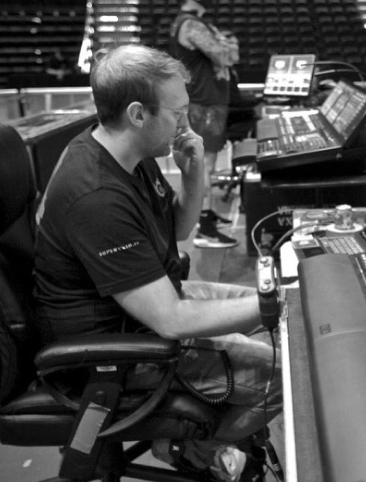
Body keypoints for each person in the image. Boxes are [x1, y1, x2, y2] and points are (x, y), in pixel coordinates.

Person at [33, 44, 281, 482]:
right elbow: (170, 320)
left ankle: (198, 438)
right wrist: (277, 303)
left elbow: (180, 231)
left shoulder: (128, 154)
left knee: (281, 319)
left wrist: (192, 172)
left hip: (150, 304)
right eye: (177, 113)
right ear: (137, 114)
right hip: (118, 350)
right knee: (280, 368)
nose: (186, 123)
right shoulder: (96, 196)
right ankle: (193, 449)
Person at [170, 0, 241, 249]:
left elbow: (230, 55)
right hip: (204, 103)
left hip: (208, 102)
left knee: (206, 165)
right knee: (204, 166)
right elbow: (226, 56)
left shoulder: (197, 23)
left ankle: (207, 215)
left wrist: (223, 44)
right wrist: (225, 43)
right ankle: (204, 228)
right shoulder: (190, 23)